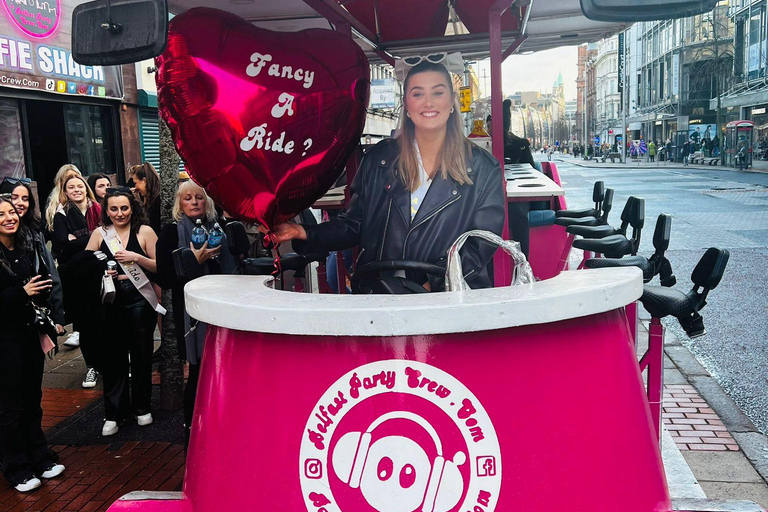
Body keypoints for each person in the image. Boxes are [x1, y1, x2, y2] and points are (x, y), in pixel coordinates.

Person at [272, 60, 505, 291]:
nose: (428, 102)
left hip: (450, 296)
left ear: (451, 101)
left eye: (438, 92)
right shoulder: (378, 160)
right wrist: (303, 232)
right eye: (418, 94)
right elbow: (355, 225)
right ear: (406, 104)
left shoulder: (484, 168)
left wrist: (429, 285)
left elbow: (479, 244)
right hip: (380, 291)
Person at [155, 180, 238, 444]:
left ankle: (225, 422)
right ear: (179, 204)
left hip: (222, 310)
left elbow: (233, 270)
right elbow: (165, 278)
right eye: (188, 198)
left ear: (208, 202)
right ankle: (193, 429)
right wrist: (193, 261)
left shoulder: (220, 229)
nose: (194, 203)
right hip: (189, 315)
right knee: (198, 368)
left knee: (224, 368)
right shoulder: (170, 233)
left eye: (199, 198)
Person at [0, 197, 65, 493]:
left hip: (29, 333)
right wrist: (21, 291)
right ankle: (16, 468)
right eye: (0, 215)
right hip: (4, 339)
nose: (8, 218)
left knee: (32, 401)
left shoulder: (27, 245)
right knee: (10, 408)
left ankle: (40, 457)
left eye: (10, 212)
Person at [85, 188, 159, 436]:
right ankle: (114, 413)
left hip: (139, 298)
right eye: (114, 209)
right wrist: (101, 272)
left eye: (124, 208)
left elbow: (160, 266)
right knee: (113, 357)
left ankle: (142, 407)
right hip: (111, 301)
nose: (119, 213)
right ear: (106, 210)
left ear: (132, 208)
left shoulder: (144, 232)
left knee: (141, 354)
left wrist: (136, 257)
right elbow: (84, 266)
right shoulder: (99, 233)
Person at [52, 175, 102, 388]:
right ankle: (91, 367)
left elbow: (109, 236)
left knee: (107, 322)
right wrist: (94, 237)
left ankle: (111, 363)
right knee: (86, 325)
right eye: (71, 187)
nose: (76, 190)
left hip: (102, 274)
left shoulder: (100, 208)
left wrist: (78, 240)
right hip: (76, 278)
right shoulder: (62, 214)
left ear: (86, 188)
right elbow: (62, 245)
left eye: (79, 186)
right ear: (65, 191)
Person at [1, 179, 66, 338]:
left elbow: (51, 276)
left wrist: (57, 316)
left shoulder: (35, 236)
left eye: (25, 199)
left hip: (33, 322)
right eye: (14, 197)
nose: (20, 203)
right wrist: (21, 292)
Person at [44, 164, 82, 349]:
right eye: (68, 180)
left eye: (76, 178)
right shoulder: (56, 208)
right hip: (68, 263)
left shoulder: (91, 204)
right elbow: (60, 242)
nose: (74, 183)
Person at [128, 163, 162, 235]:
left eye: (135, 183)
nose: (135, 187)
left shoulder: (157, 200)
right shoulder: (151, 198)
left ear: (144, 181)